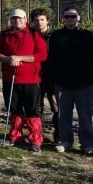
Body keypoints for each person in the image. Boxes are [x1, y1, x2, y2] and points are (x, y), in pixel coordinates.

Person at [44, 7, 93, 155]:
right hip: (62, 83)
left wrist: (88, 69)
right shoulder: (56, 36)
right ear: (63, 19)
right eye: (67, 16)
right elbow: (51, 58)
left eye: (73, 16)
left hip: (84, 83)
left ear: (78, 18)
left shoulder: (88, 36)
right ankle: (66, 141)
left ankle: (87, 144)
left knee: (85, 115)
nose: (70, 19)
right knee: (63, 115)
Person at [0, 9, 48, 151]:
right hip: (10, 78)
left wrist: (20, 58)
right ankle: (15, 135)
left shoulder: (34, 33)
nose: (17, 21)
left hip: (31, 79)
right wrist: (7, 59)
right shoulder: (5, 34)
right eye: (14, 19)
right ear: (10, 20)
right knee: (14, 109)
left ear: (25, 19)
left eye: (20, 18)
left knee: (32, 111)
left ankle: (35, 139)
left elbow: (42, 55)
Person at [30, 8, 59, 145]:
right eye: (36, 20)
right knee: (37, 107)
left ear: (47, 21)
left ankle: (58, 136)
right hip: (35, 76)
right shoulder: (29, 35)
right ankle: (37, 135)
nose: (39, 22)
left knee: (57, 108)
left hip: (53, 76)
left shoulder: (55, 36)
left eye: (42, 20)